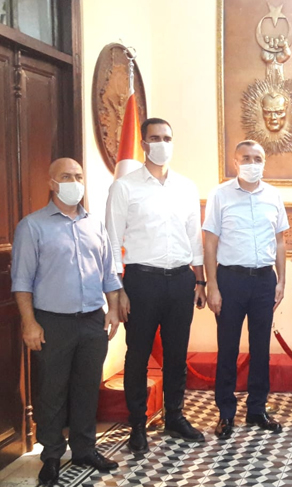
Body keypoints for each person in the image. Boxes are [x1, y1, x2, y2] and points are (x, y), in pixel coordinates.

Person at [12, 158, 121, 486]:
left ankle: (85, 449)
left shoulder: (95, 225)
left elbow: (109, 273)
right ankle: (51, 455)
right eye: (66, 176)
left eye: (78, 176)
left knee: (87, 388)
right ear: (52, 183)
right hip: (52, 323)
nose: (74, 182)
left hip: (92, 320)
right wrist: (29, 323)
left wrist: (113, 309)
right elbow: (22, 281)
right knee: (52, 390)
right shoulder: (32, 226)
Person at [106, 117, 207, 454]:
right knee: (137, 355)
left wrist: (200, 279)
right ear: (143, 144)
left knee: (177, 354)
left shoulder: (186, 187)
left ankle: (174, 416)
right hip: (141, 281)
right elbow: (111, 241)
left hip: (180, 280)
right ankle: (137, 424)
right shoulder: (125, 187)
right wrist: (117, 291)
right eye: (155, 138)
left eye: (167, 137)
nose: (162, 143)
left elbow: (194, 236)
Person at [203, 140, 288, 439]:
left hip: (264, 280)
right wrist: (212, 285)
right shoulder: (220, 194)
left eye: (258, 158)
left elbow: (280, 241)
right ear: (235, 162)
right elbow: (210, 243)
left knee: (261, 349)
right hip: (230, 280)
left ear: (264, 162)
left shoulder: (274, 195)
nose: (252, 163)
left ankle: (257, 409)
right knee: (228, 349)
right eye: (246, 158)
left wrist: (281, 280)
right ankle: (226, 413)